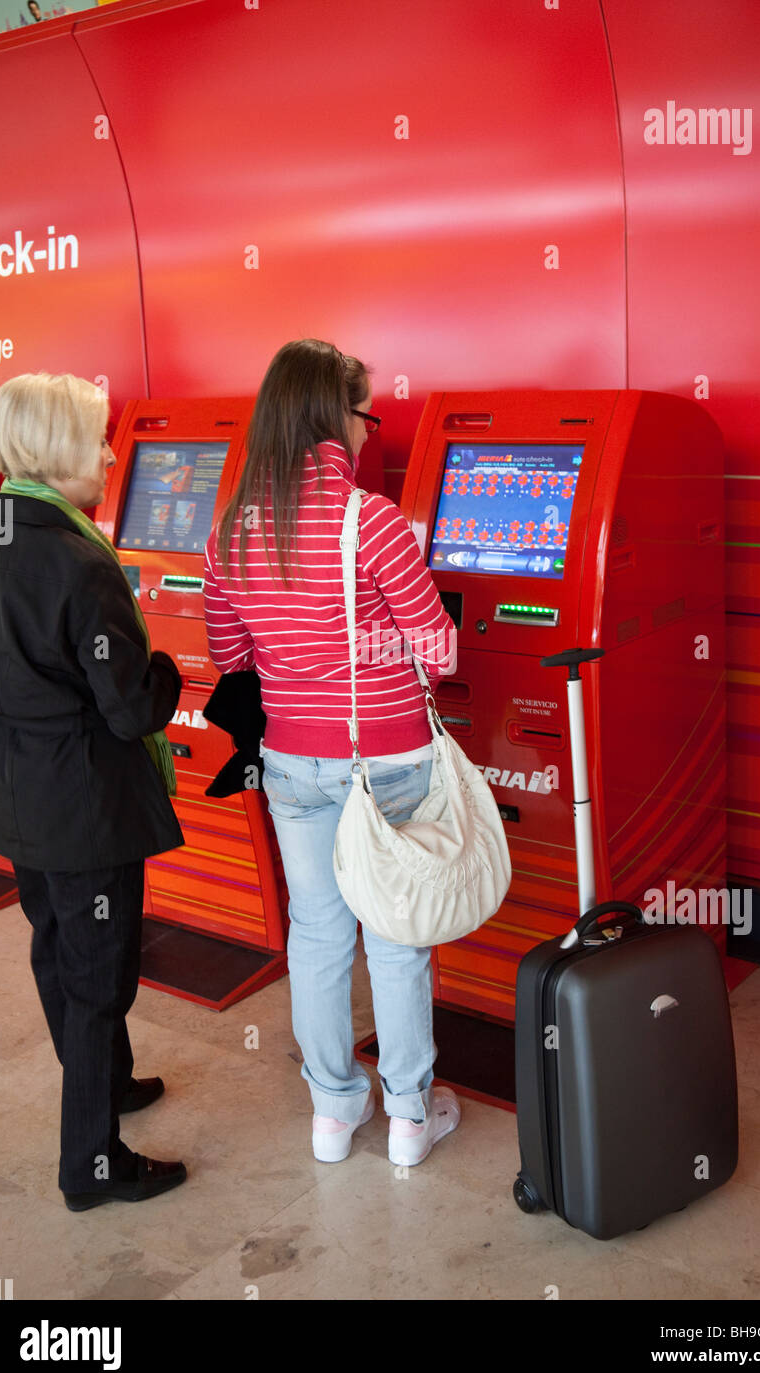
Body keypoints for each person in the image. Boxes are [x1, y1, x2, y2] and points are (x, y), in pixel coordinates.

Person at [204, 339, 460, 1166]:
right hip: (385, 759)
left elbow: (230, 653)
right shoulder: (373, 522)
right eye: (363, 413)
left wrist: (303, 656)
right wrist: (378, 644)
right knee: (394, 935)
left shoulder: (232, 531)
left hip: (293, 763)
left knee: (316, 933)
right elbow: (441, 650)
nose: (366, 431)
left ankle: (332, 1113)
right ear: (333, 416)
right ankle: (411, 1118)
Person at [0, 372, 187, 1210]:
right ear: (58, 451)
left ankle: (109, 1082)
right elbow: (131, 711)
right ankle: (92, 1166)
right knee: (100, 978)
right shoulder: (75, 560)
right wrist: (167, 672)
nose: (107, 454)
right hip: (88, 808)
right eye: (95, 439)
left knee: (56, 949)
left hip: (18, 798)